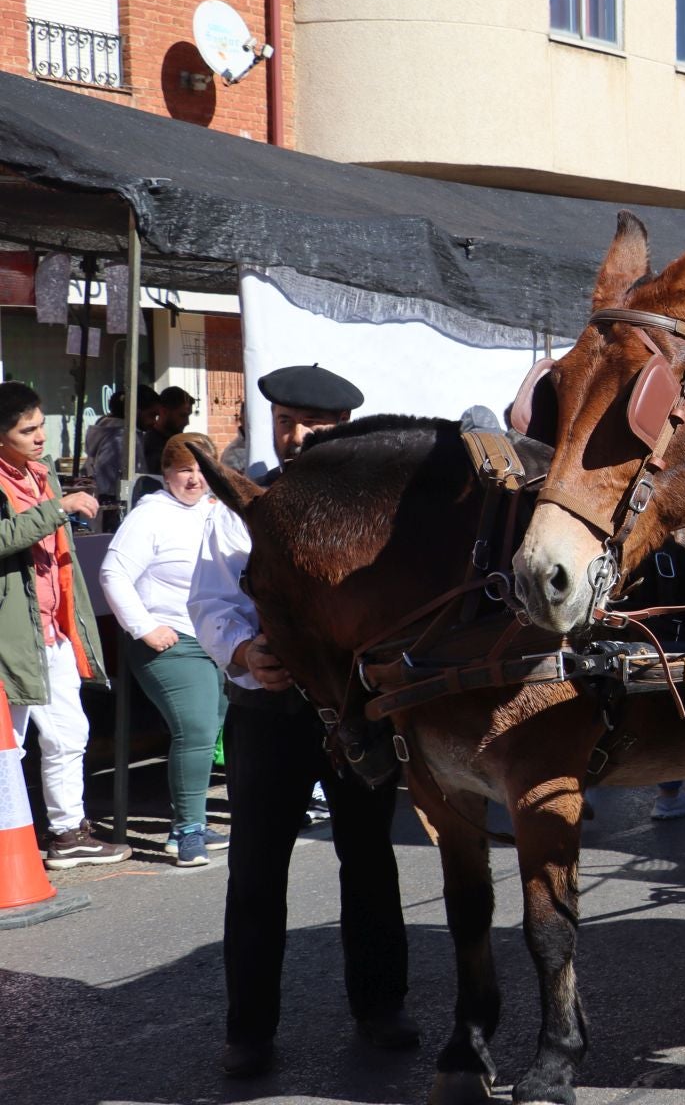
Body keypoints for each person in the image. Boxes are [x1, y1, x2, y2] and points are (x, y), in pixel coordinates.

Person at [189, 365, 415, 1078]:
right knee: (256, 871)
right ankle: (248, 1032)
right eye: (285, 419)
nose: (295, 435)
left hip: (354, 709)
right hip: (268, 713)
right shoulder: (239, 499)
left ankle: (381, 1009)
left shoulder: (372, 505)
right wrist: (244, 649)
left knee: (370, 861)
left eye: (311, 424)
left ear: (342, 427)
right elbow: (208, 600)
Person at [0, 382, 127, 868]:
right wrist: (59, 508)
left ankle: (68, 833)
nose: (39, 437)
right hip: (11, 636)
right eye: (26, 430)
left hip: (52, 628)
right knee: (8, 743)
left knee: (69, 733)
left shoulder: (44, 471)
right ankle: (11, 845)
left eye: (40, 425)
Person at [98, 432, 227, 866]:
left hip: (219, 640)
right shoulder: (150, 515)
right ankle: (185, 829)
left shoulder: (218, 510)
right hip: (170, 641)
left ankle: (195, 818)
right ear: (166, 473)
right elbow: (113, 574)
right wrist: (145, 627)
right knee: (195, 730)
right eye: (184, 471)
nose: (194, 480)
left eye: (202, 470)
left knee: (212, 729)